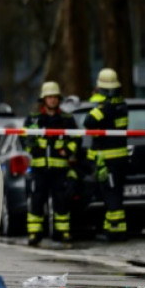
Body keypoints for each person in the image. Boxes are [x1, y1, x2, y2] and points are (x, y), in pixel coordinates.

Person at [22, 81, 79, 245]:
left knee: (61, 201)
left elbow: (76, 138)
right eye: (49, 97)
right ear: (44, 99)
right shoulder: (34, 119)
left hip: (59, 169)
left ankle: (63, 232)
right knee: (36, 201)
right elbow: (23, 137)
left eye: (55, 97)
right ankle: (34, 234)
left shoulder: (67, 119)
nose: (52, 100)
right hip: (39, 168)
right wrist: (31, 147)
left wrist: (67, 151)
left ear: (59, 99)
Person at [83, 68, 129, 242]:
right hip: (119, 159)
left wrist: (98, 105)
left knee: (112, 195)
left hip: (110, 160)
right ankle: (112, 227)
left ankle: (116, 231)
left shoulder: (108, 108)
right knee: (114, 193)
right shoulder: (122, 105)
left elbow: (89, 121)